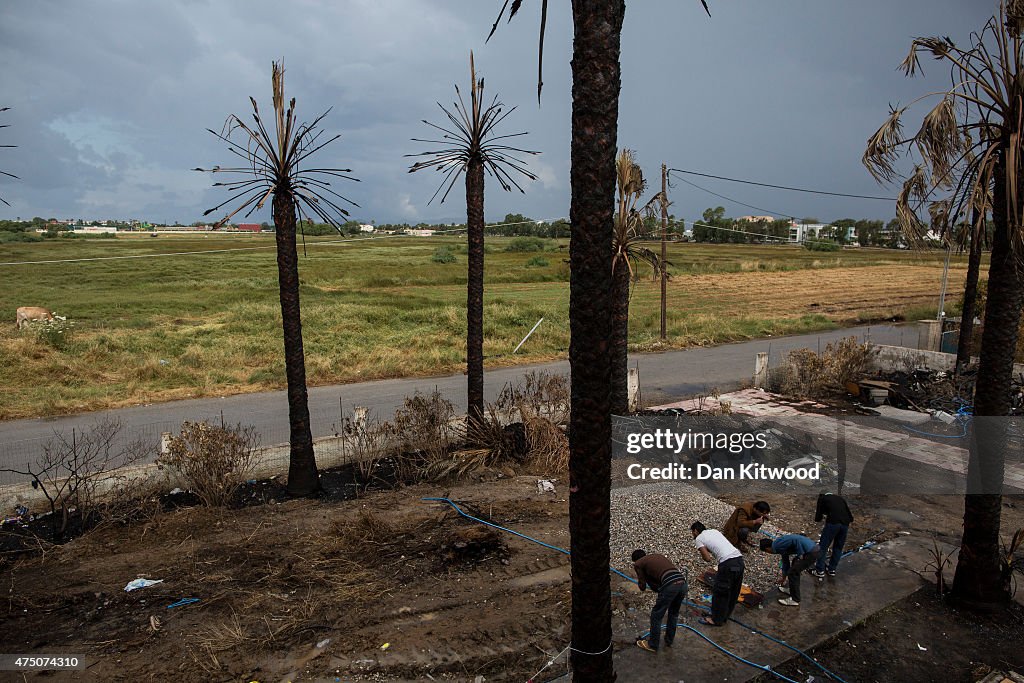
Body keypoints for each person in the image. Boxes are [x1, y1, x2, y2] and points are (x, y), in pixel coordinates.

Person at [632, 549, 688, 653]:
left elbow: (643, 586)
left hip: (670, 585)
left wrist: (642, 579)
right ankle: (669, 641)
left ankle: (652, 645)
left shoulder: (638, 563)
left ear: (635, 560)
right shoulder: (656, 556)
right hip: (682, 583)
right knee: (673, 613)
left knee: (656, 615)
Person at [691, 521, 745, 627]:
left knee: (720, 592)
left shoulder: (699, 538)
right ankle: (724, 616)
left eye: (692, 532)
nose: (693, 535)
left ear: (696, 531)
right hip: (739, 560)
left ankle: (715, 620)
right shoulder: (714, 531)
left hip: (727, 564)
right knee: (733, 591)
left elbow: (707, 558)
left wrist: (703, 552)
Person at [759, 534, 820, 606]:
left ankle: (795, 599)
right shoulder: (778, 546)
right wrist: (783, 578)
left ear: (767, 549)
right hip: (811, 550)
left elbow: (796, 539)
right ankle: (792, 590)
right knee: (794, 565)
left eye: (767, 552)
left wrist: (800, 555)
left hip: (812, 552)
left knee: (793, 572)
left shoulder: (778, 545)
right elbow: (786, 563)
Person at [813, 491, 854, 577]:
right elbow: (850, 517)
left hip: (833, 523)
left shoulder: (822, 498)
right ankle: (832, 569)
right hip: (845, 524)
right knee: (838, 547)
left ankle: (819, 570)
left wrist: (824, 516)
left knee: (823, 546)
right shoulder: (840, 499)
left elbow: (818, 517)